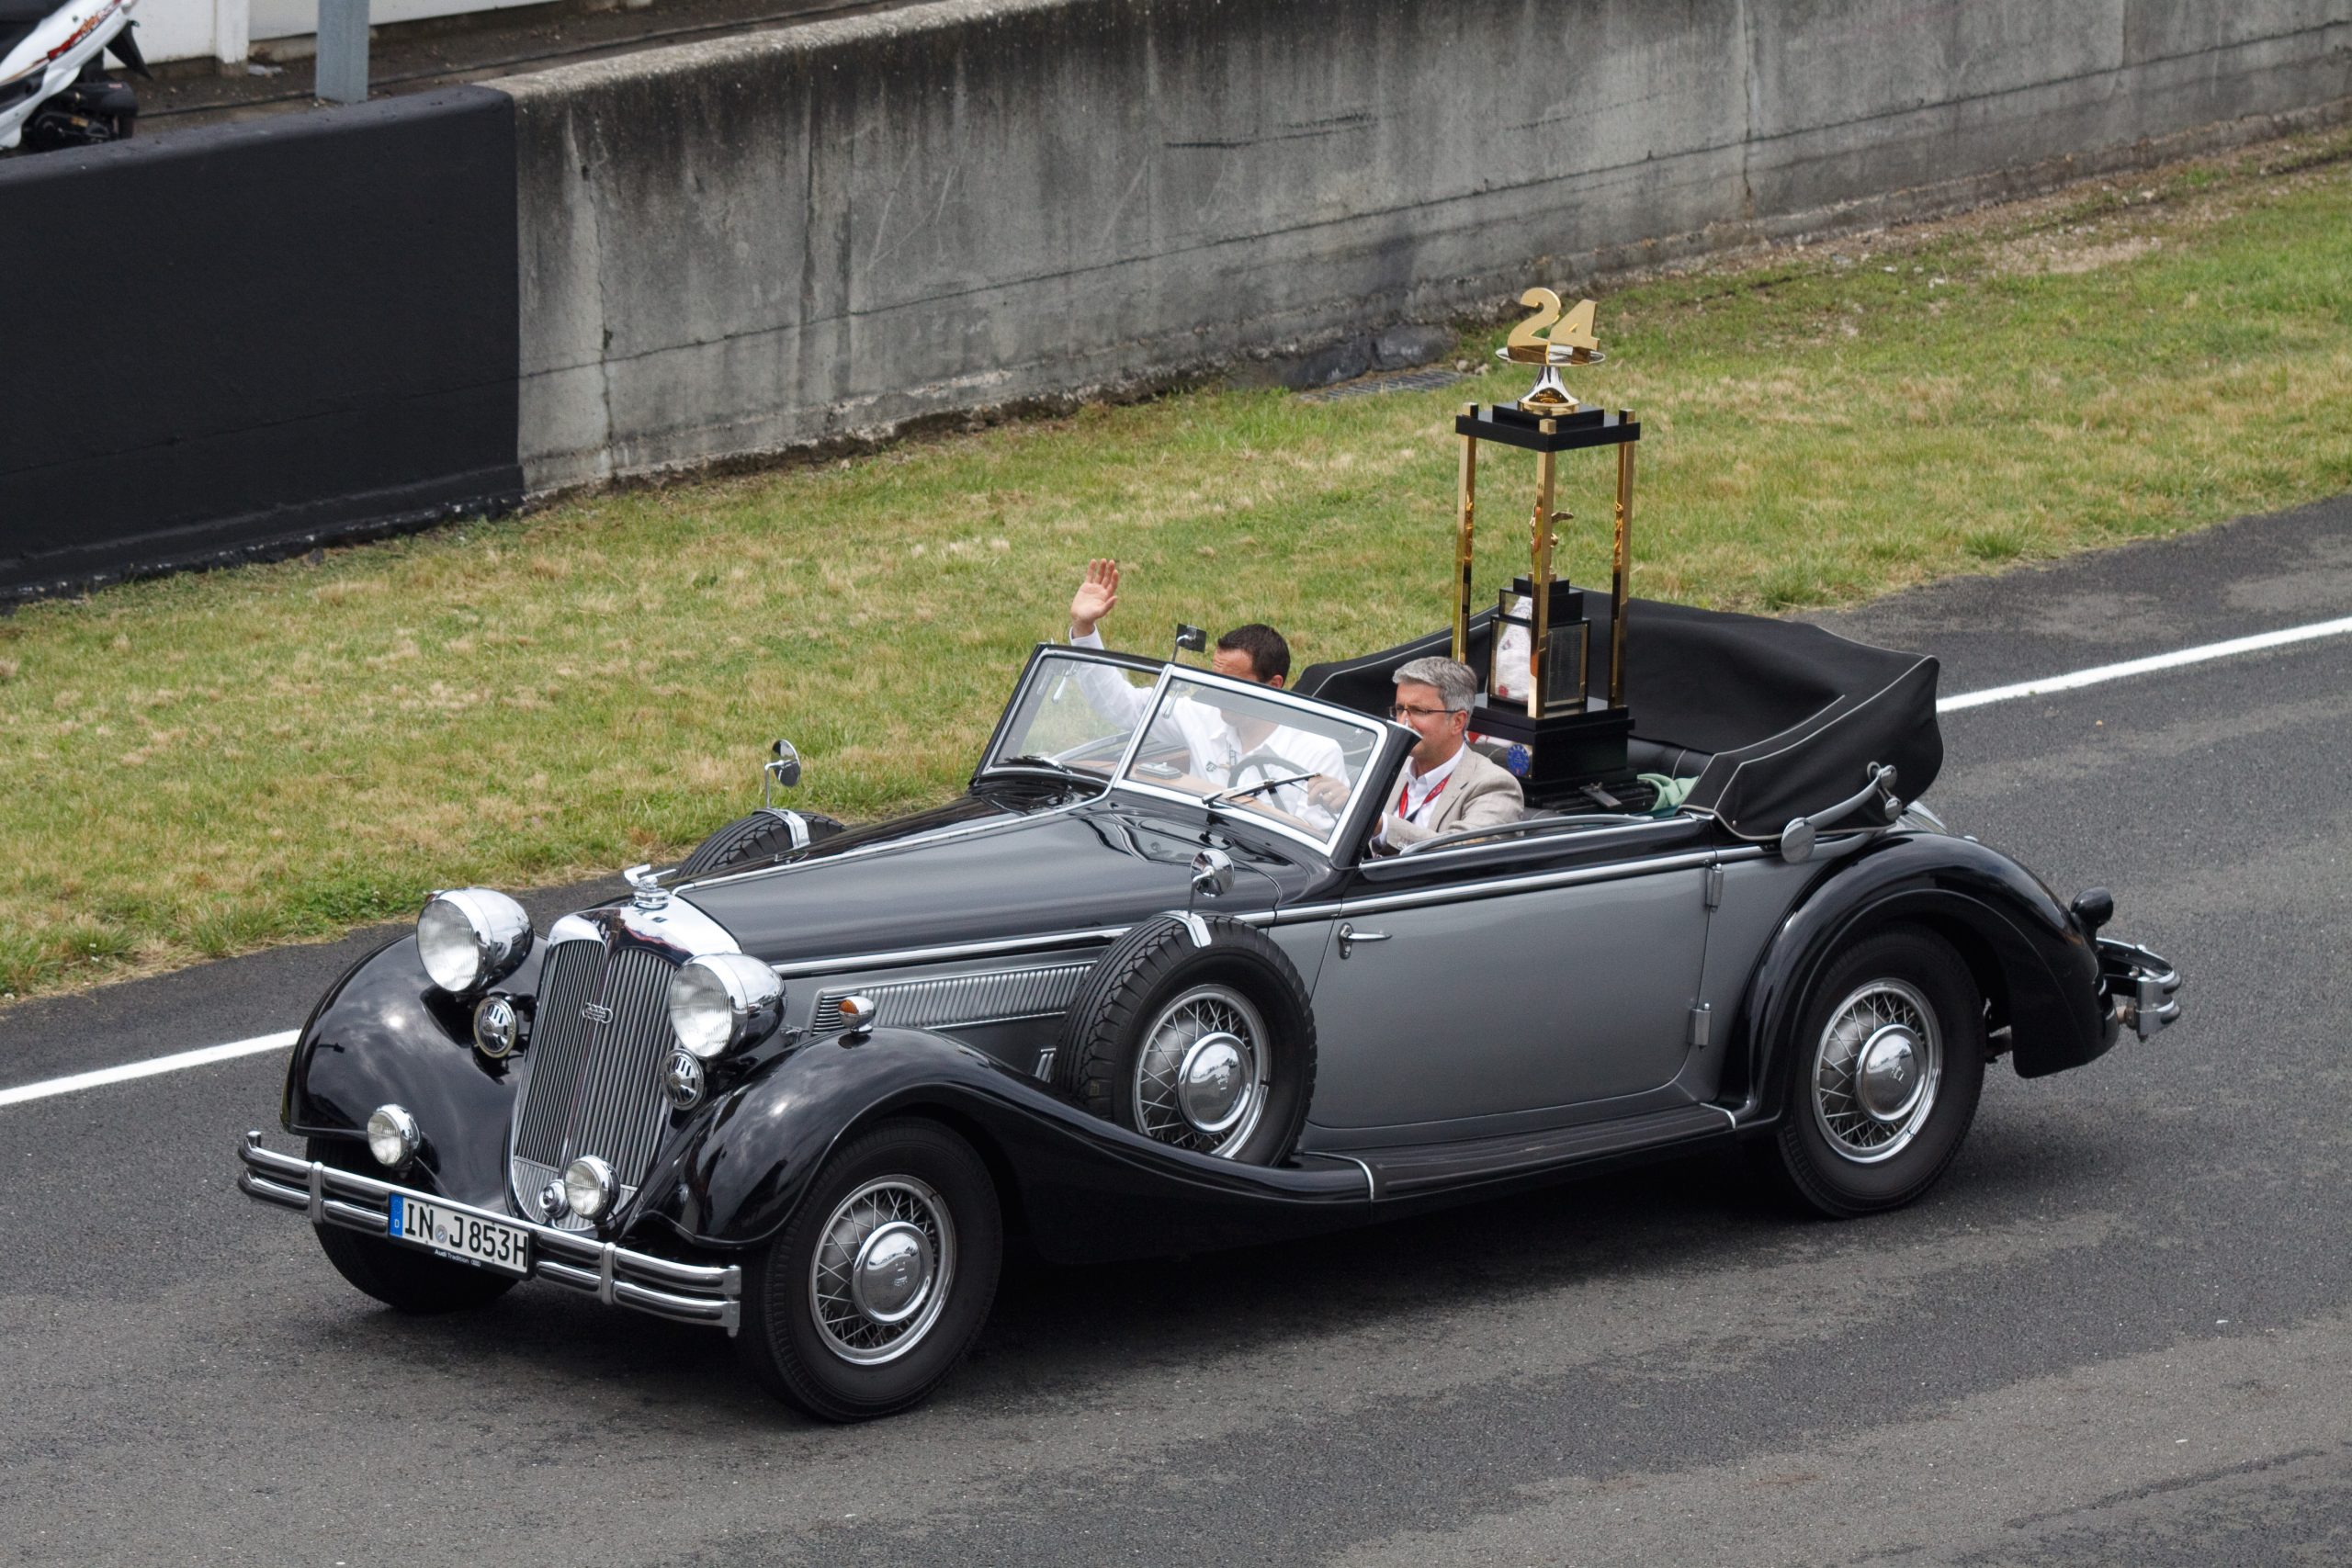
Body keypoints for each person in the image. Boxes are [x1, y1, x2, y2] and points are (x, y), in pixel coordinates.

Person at [1063, 558, 1347, 829]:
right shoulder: (1200, 717)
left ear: (1272, 686)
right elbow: (1119, 705)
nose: (1217, 694)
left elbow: (1314, 846)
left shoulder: (1318, 752)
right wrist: (1084, 628)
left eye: (1232, 685)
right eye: (1214, 680)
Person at [1369, 655, 1524, 853]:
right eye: (1400, 710)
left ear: (1457, 721)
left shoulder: (1495, 786)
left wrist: (1382, 825)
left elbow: (1461, 853)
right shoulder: (1386, 765)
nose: (1404, 722)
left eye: (1418, 711)